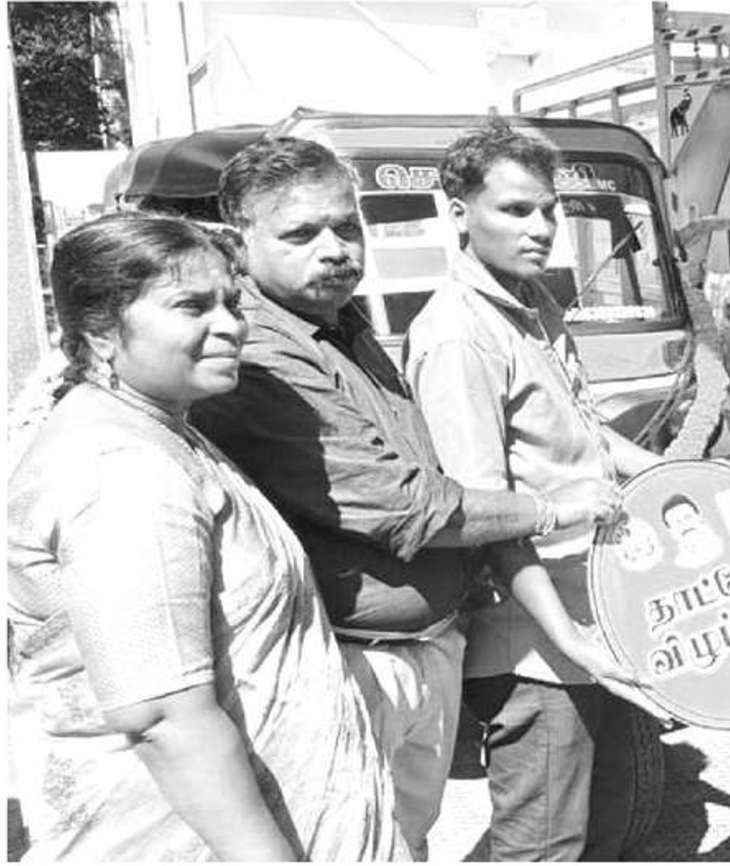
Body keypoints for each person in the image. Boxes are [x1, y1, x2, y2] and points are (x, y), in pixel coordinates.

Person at [189, 136, 617, 860]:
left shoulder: (343, 326)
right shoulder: (262, 355)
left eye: (345, 226)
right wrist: (552, 509)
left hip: (422, 648)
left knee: (404, 844)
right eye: (301, 233)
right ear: (241, 241)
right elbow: (405, 503)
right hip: (353, 662)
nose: (334, 249)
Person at [7, 213, 404, 860]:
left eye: (232, 304)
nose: (231, 326)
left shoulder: (161, 432)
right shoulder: (120, 471)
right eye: (192, 306)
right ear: (100, 332)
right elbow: (166, 721)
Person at [403, 120, 662, 861]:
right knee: (544, 845)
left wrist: (688, 481)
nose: (541, 228)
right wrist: (568, 641)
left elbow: (589, 436)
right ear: (459, 214)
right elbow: (484, 515)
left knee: (609, 826)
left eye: (548, 210)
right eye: (515, 210)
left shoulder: (534, 304)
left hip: (596, 608)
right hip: (537, 646)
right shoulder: (459, 335)